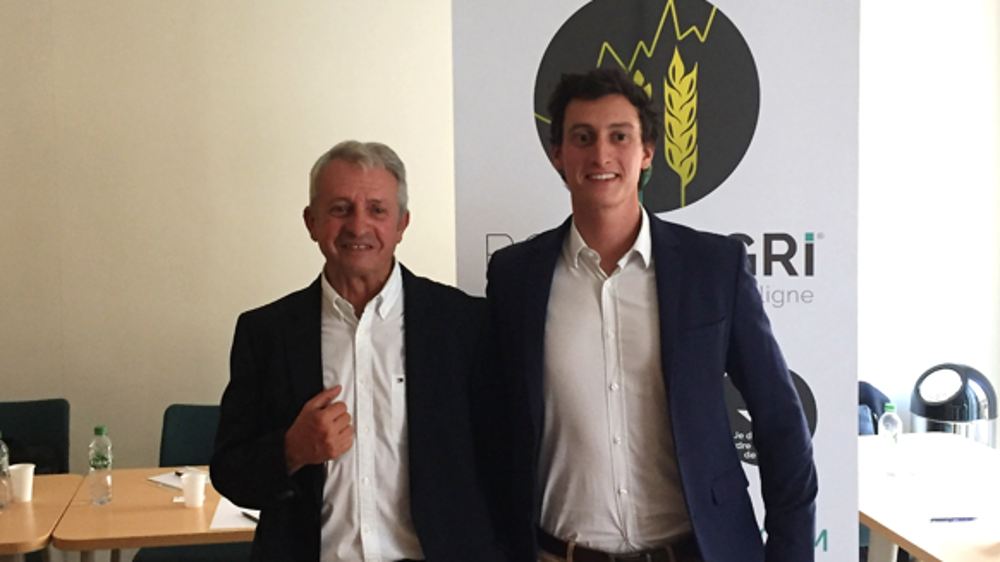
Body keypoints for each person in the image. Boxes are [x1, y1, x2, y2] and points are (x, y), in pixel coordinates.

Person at [486, 69, 817, 562]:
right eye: (582, 138)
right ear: (558, 155)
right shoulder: (515, 278)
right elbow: (493, 429)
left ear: (647, 152)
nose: (601, 154)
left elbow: (779, 423)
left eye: (620, 136)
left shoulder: (714, 269)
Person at [212, 140, 506, 562]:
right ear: (311, 222)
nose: (358, 226)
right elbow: (229, 472)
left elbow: (502, 465)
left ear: (402, 224)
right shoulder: (266, 333)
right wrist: (292, 449)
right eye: (340, 209)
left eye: (377, 210)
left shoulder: (463, 325)